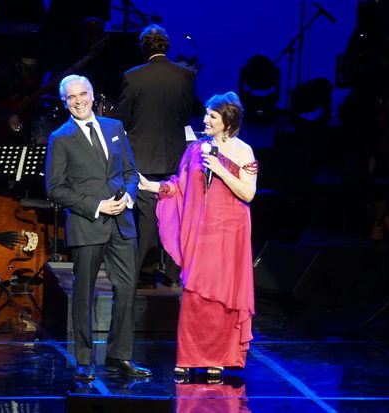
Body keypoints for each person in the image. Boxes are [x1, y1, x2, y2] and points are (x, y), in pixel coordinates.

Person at [137, 92, 257, 378]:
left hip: (230, 232)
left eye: (212, 116)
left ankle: (219, 357)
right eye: (206, 114)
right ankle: (190, 356)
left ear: (228, 121)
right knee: (196, 294)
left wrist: (221, 170)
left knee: (223, 295)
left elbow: (248, 194)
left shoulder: (244, 151)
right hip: (201, 231)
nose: (205, 120)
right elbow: (180, 186)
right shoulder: (195, 149)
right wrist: (151, 186)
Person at [45, 75, 151, 380]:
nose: (78, 101)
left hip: (122, 223)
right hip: (88, 224)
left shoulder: (114, 127)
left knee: (127, 290)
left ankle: (121, 357)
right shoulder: (61, 137)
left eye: (83, 94)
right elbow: (54, 188)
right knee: (83, 292)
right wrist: (97, 206)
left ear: (93, 95)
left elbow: (130, 172)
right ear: (64, 102)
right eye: (71, 97)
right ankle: (84, 359)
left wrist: (128, 196)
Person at [118, 24, 201, 288]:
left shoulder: (133, 76)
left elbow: (124, 117)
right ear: (167, 45)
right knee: (175, 214)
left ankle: (144, 270)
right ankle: (174, 273)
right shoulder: (185, 74)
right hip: (176, 156)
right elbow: (187, 112)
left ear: (144, 47)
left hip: (143, 156)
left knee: (147, 218)